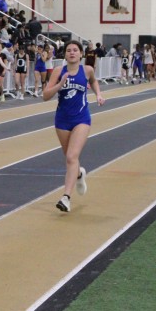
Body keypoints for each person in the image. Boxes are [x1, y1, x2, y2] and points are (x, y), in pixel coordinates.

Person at [41, 40, 105, 213]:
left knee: (71, 157)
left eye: (75, 50)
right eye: (69, 50)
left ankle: (66, 197)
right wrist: (60, 84)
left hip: (81, 118)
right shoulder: (58, 71)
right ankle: (79, 174)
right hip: (62, 120)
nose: (72, 53)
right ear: (65, 54)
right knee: (71, 160)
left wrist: (98, 95)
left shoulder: (87, 70)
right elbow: (45, 96)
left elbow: (94, 81)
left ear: (81, 54)